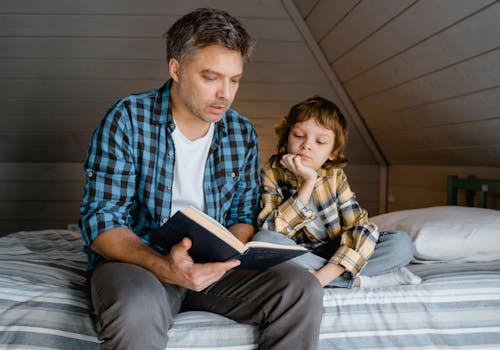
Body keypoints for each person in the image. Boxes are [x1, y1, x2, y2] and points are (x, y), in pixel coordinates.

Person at [79, 8, 323, 350]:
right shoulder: (127, 119)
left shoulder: (241, 131)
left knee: (302, 287)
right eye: (211, 77)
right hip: (141, 263)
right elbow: (101, 220)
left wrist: (227, 258)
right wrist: (164, 266)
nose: (225, 93)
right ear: (176, 69)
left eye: (234, 79)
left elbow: (241, 215)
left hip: (215, 269)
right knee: (136, 305)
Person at [256, 95, 421, 288]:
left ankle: (320, 279)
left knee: (401, 244)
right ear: (286, 138)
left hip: (337, 252)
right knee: (263, 241)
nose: (306, 145)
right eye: (299, 136)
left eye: (320, 141)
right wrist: (308, 182)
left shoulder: (334, 175)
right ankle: (361, 281)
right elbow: (269, 229)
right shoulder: (272, 171)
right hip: (298, 253)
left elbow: (360, 226)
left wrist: (323, 276)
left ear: (332, 152)